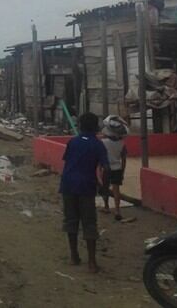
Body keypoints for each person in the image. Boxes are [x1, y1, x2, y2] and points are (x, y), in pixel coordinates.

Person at [59, 112, 109, 273]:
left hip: (68, 185)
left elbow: (67, 162)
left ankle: (74, 256)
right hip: (86, 187)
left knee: (71, 220)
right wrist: (104, 186)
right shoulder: (98, 145)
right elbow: (105, 168)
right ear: (96, 127)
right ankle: (92, 263)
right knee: (89, 222)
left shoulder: (73, 142)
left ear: (80, 126)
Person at [100, 115, 129, 221]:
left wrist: (99, 169)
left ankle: (106, 207)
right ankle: (117, 210)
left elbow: (100, 157)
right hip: (117, 168)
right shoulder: (122, 144)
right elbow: (124, 159)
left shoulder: (103, 142)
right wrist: (123, 171)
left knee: (105, 189)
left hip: (106, 168)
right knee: (116, 190)